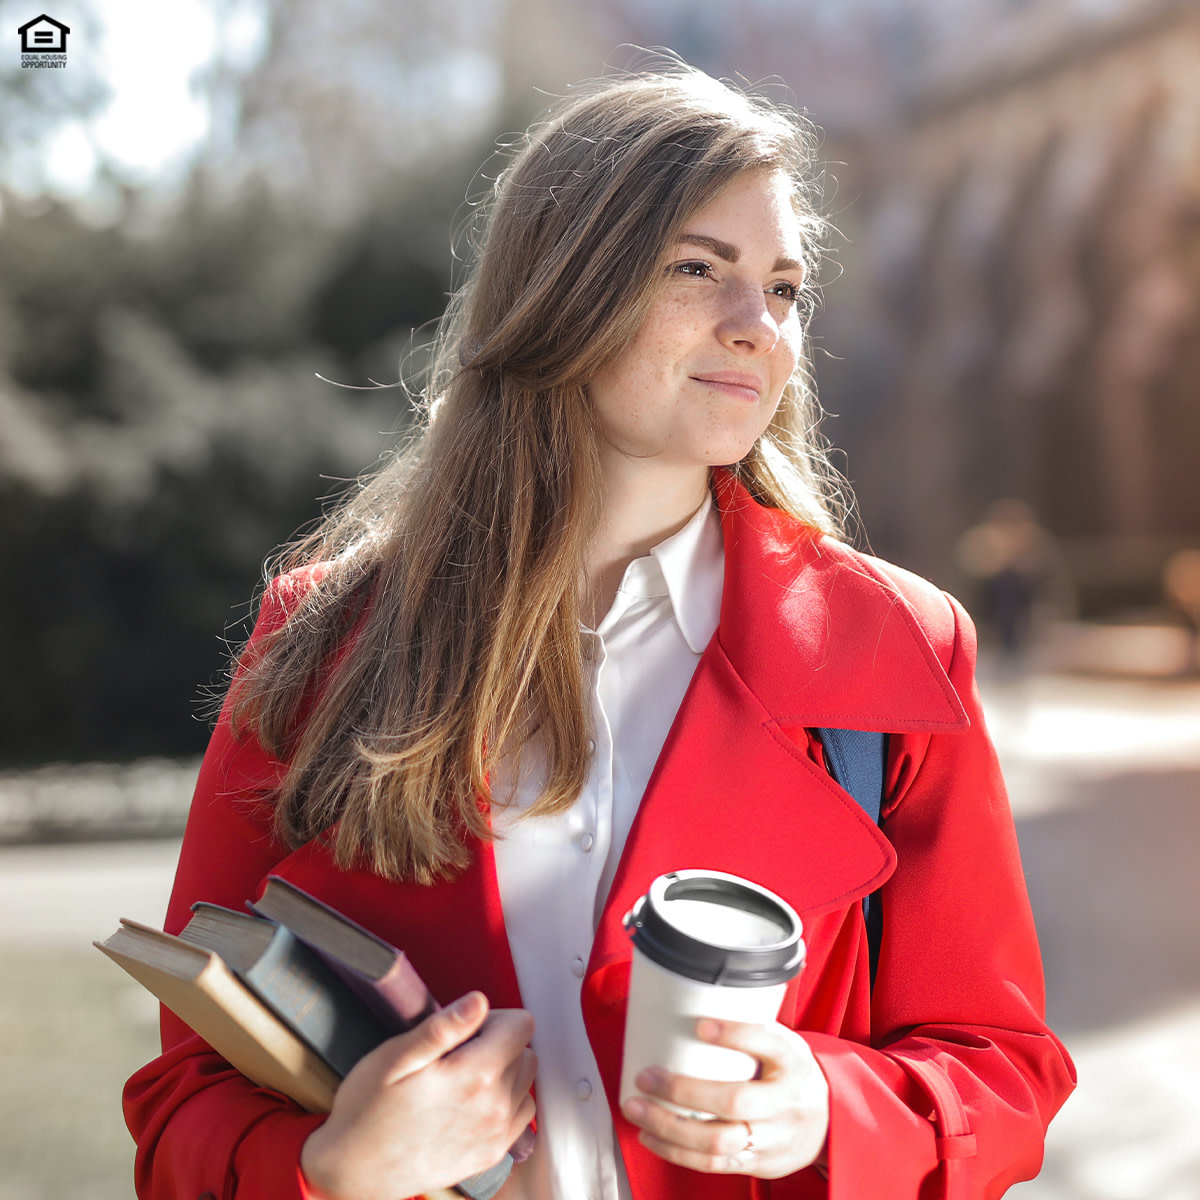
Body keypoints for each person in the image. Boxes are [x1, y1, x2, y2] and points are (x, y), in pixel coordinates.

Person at [124, 61, 1076, 1200]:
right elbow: (183, 1095)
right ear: (562, 290)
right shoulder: (322, 639)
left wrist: (831, 1107)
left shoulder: (897, 648)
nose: (758, 326)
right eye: (697, 269)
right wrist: (329, 1169)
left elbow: (1003, 1069)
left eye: (783, 287)